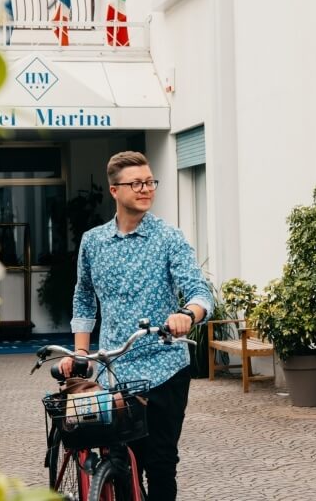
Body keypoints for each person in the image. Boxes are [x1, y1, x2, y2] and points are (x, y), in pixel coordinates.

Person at [60, 150, 213, 501]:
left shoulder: (168, 238)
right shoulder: (93, 242)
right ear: (115, 190)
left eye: (149, 182)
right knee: (119, 461)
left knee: (159, 463)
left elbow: (198, 290)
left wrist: (187, 315)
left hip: (164, 370)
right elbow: (84, 298)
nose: (146, 189)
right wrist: (82, 351)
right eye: (136, 183)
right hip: (115, 371)